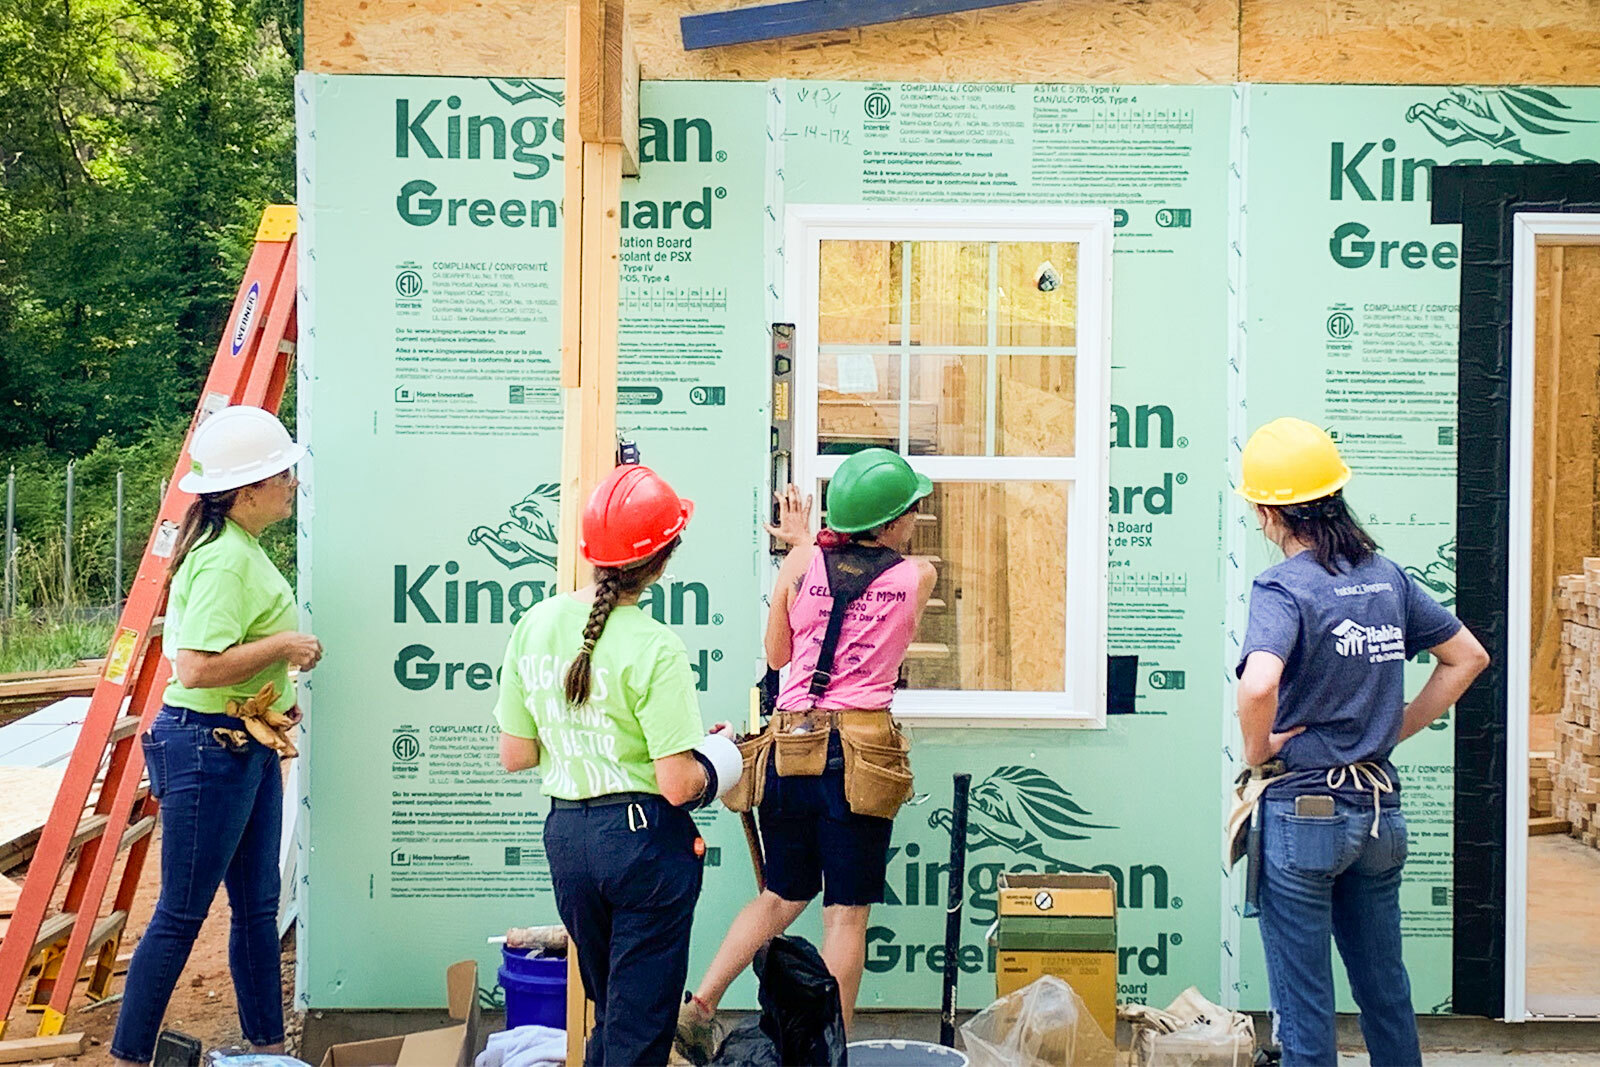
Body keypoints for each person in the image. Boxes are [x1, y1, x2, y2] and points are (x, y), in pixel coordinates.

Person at [1234, 417, 1488, 1067]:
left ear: (1268, 512)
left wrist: (1259, 751)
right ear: (1335, 495)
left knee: (1306, 1005)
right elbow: (1468, 657)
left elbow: (1258, 684)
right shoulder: (1385, 576)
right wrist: (1389, 729)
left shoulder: (1284, 586)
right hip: (1378, 815)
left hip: (1305, 814)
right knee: (1385, 992)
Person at [678, 448, 937, 1061]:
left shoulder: (799, 564)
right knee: (844, 916)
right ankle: (830, 1052)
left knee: (781, 895)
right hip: (858, 757)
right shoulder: (918, 575)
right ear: (889, 521)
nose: (915, 518)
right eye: (910, 510)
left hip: (789, 748)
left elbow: (777, 657)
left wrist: (800, 552)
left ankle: (700, 1007)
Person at [494, 464, 740, 1067]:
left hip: (569, 840)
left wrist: (583, 737)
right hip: (642, 844)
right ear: (663, 560)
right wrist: (718, 761)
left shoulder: (534, 624)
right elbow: (677, 784)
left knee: (614, 1015)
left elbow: (516, 754)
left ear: (591, 553)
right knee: (638, 1031)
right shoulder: (656, 646)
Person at [113, 406, 321, 1066]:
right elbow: (197, 667)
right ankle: (128, 1056)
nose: (291, 482)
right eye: (281, 474)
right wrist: (284, 647)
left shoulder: (237, 548)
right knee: (181, 914)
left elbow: (219, 659)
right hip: (208, 748)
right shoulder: (226, 560)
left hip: (237, 743)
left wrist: (271, 697)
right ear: (248, 490)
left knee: (258, 908)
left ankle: (267, 1051)